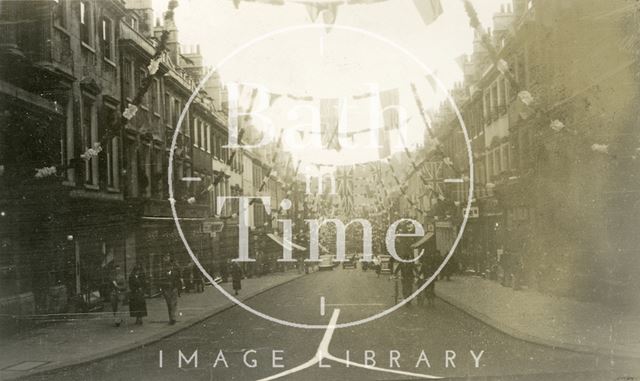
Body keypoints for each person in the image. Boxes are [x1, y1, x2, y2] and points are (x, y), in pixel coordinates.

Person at [159, 255, 182, 325]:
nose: (168, 268)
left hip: (174, 289)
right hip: (166, 291)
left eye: (169, 267)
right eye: (167, 267)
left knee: (173, 304)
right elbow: (161, 282)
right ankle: (171, 318)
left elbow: (178, 279)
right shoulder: (163, 274)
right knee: (169, 305)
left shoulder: (175, 273)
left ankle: (173, 318)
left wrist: (178, 289)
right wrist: (162, 291)